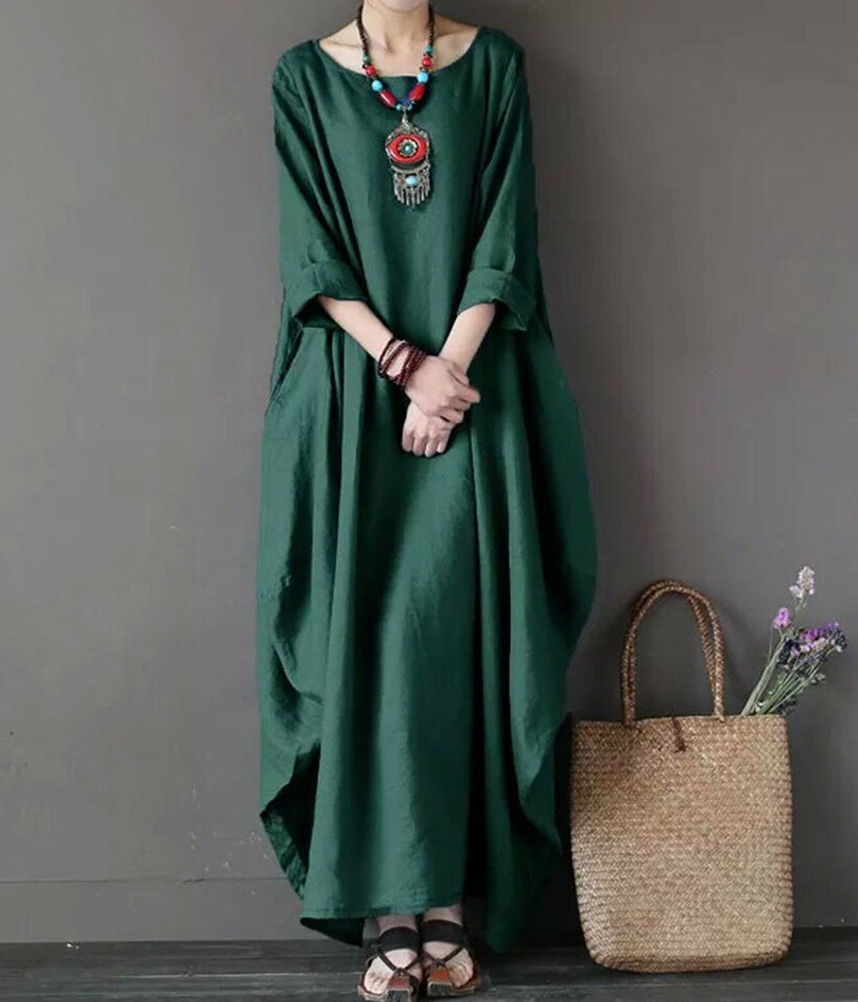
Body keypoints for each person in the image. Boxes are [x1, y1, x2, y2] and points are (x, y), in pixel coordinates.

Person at [255, 2, 598, 997]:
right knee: (362, 639)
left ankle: (445, 898)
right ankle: (388, 906)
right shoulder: (303, 78)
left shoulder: (492, 69)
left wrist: (449, 371)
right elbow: (311, 254)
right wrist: (405, 365)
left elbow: (505, 231)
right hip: (349, 396)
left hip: (476, 386)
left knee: (453, 631)